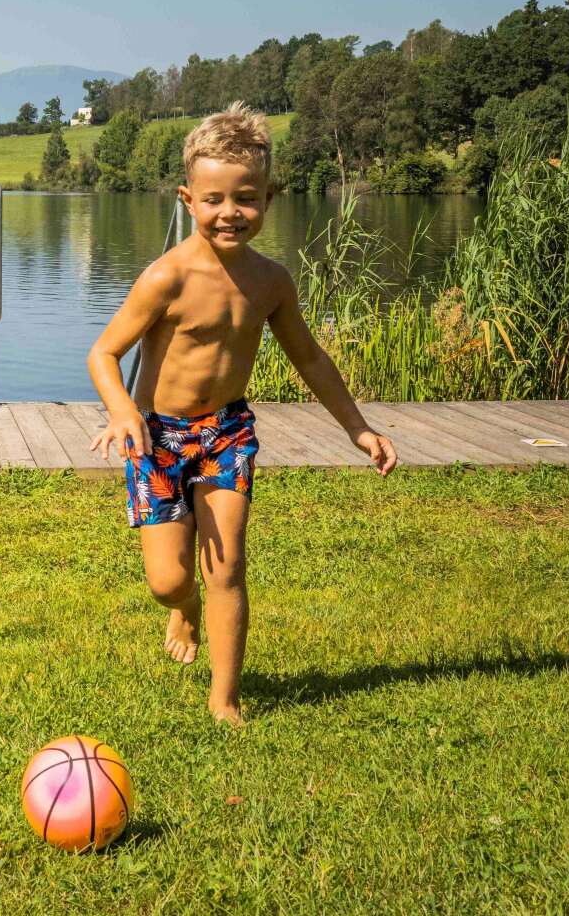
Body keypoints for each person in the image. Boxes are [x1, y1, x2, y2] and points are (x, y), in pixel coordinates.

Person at [87, 103, 397, 725]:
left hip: (227, 433)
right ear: (187, 198)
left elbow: (309, 359)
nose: (230, 212)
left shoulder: (272, 282)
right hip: (157, 440)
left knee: (227, 567)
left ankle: (224, 697)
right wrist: (122, 411)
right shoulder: (165, 278)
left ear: (269, 198)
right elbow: (104, 351)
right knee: (168, 579)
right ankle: (184, 608)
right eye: (214, 199)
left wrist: (358, 427)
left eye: (246, 198)